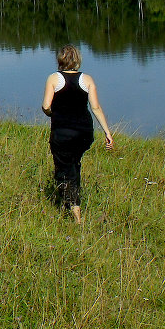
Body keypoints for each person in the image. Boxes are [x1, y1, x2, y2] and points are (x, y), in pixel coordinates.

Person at [42, 44, 114, 223]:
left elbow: (46, 106)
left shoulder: (54, 78)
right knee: (74, 164)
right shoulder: (87, 79)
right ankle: (71, 198)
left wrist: (53, 114)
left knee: (64, 169)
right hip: (84, 132)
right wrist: (107, 132)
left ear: (60, 59)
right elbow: (95, 107)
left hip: (62, 132)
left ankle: (76, 214)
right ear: (77, 60)